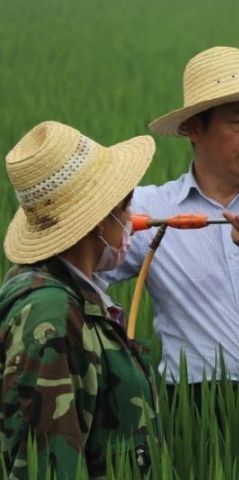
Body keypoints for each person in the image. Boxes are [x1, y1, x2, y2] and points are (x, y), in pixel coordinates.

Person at [100, 46, 239, 388]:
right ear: (194, 128)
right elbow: (84, 271)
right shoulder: (151, 209)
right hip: (196, 408)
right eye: (238, 120)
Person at [0, 121, 157, 478]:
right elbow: (47, 465)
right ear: (100, 221)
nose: (132, 220)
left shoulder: (73, 297)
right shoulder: (50, 315)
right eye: (125, 207)